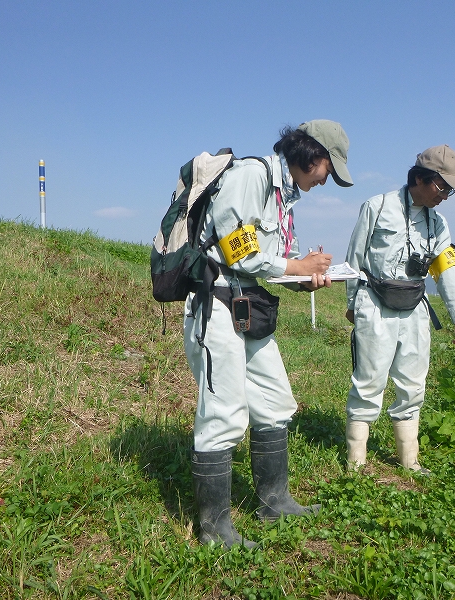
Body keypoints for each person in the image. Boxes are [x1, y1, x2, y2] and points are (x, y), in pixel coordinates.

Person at [184, 120, 353, 547]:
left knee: (276, 402)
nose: (325, 181)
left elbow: (267, 262)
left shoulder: (282, 196)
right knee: (223, 413)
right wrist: (297, 267)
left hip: (248, 307)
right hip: (217, 305)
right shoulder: (251, 176)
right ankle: (213, 529)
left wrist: (304, 274)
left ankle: (274, 501)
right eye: (328, 171)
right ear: (313, 155)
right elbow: (235, 246)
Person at [343, 144, 455, 473]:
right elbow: (354, 259)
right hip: (374, 303)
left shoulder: (438, 224)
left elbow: (447, 270)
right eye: (442, 187)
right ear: (418, 179)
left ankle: (409, 460)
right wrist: (352, 303)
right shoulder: (377, 207)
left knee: (414, 383)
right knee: (369, 381)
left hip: (415, 306)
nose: (444, 196)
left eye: (450, 191)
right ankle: (355, 463)